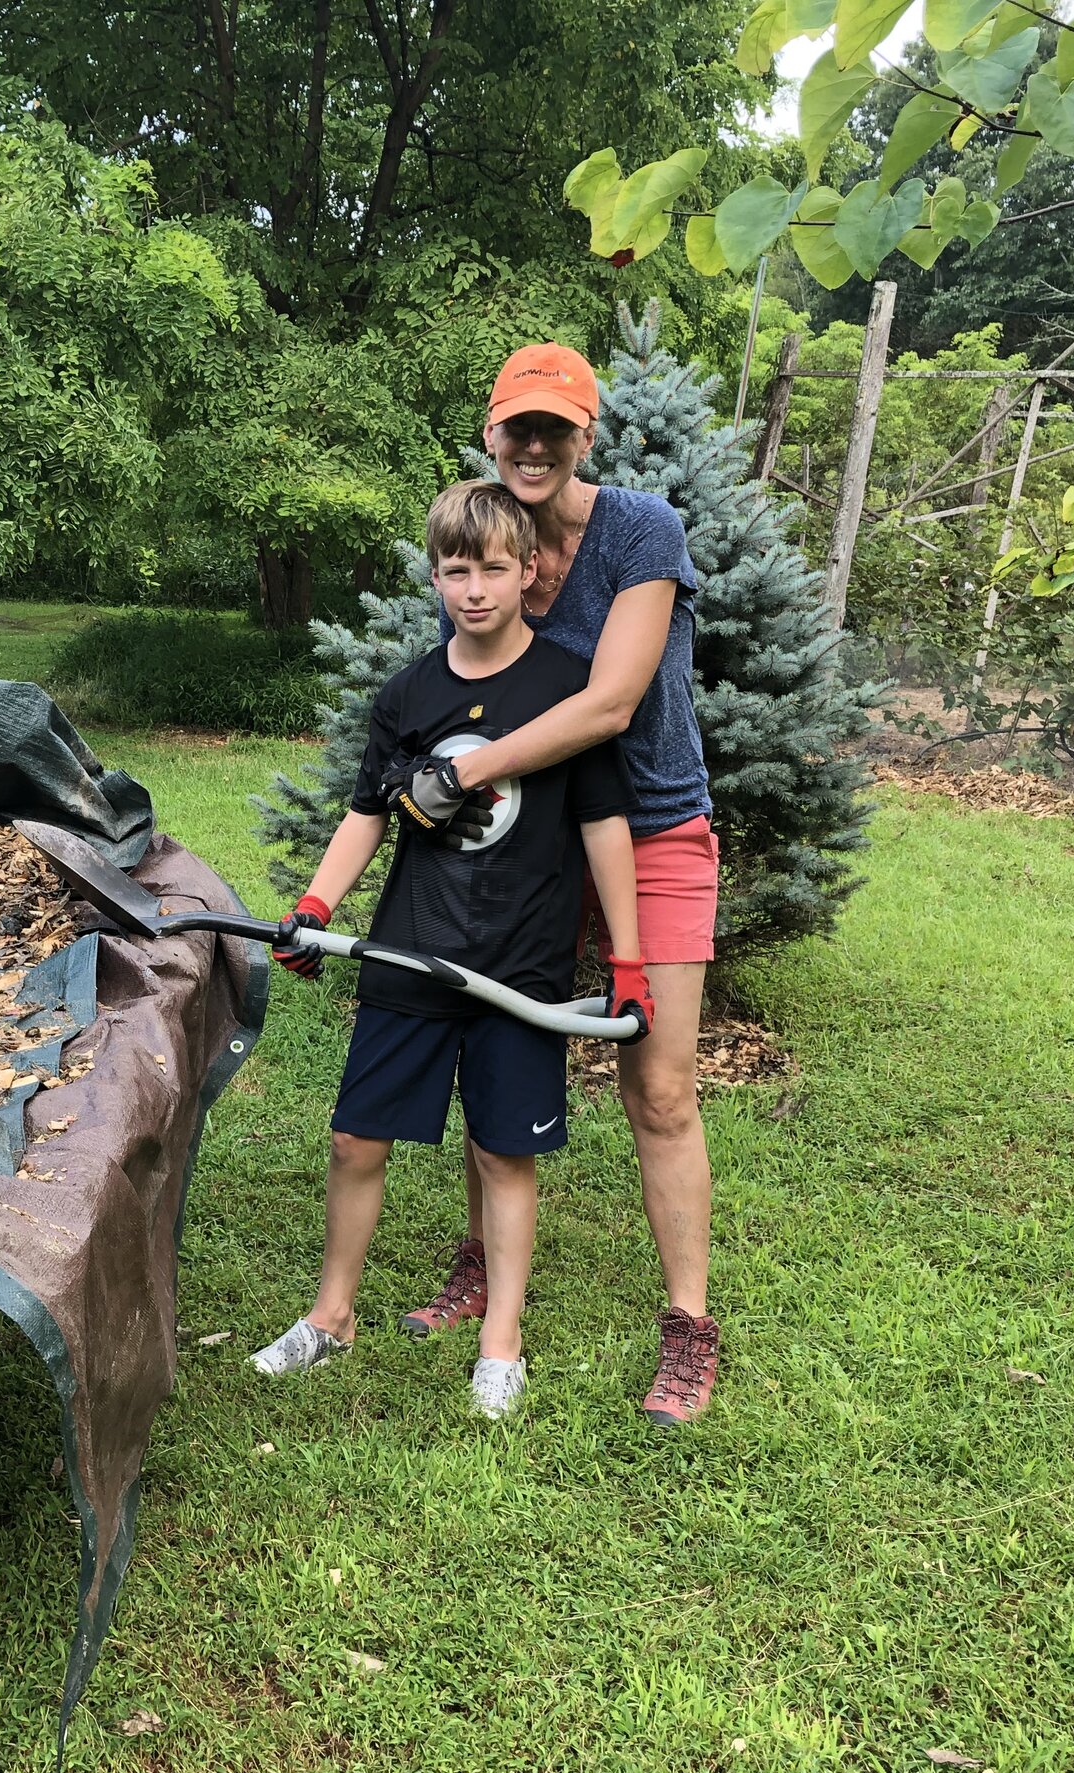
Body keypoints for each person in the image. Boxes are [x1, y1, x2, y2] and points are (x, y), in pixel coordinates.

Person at [249, 479, 652, 1421]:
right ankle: (331, 1316)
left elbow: (603, 829)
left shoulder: (566, 691)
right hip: (410, 952)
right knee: (355, 1138)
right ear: (435, 575)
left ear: (532, 571)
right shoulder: (410, 694)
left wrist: (627, 964)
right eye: (456, 569)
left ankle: (500, 1343)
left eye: (495, 568)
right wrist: (315, 904)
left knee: (505, 1150)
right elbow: (365, 816)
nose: (474, 588)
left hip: (521, 966)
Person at [385, 342, 723, 1429]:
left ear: (587, 437)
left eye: (554, 430)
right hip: (530, 838)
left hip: (655, 825)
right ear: (490, 436)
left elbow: (612, 702)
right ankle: (480, 1263)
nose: (533, 447)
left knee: (658, 1086)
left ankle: (687, 1327)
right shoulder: (482, 539)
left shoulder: (639, 530)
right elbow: (473, 691)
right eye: (515, 429)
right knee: (492, 1046)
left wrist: (458, 776)